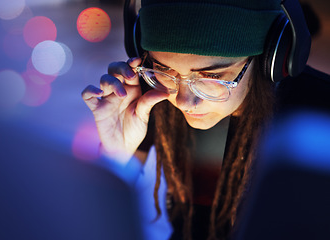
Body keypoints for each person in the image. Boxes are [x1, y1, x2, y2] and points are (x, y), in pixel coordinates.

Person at [82, 0, 330, 239]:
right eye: (165, 71)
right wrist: (116, 156)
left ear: (271, 59)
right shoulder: (153, 100)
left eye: (210, 78)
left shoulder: (319, 117)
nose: (183, 101)